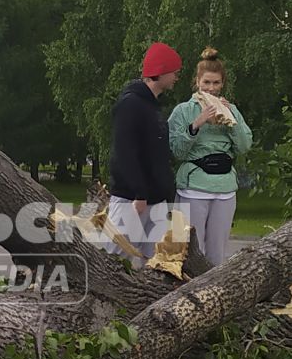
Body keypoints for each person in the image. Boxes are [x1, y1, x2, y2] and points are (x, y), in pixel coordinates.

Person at [167, 47, 252, 266]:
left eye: (216, 83)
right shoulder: (183, 110)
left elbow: (243, 147)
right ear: (197, 82)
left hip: (224, 188)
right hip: (194, 185)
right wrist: (197, 123)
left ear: (222, 84)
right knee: (190, 249)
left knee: (217, 250)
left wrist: (230, 119)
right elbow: (177, 150)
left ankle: (214, 292)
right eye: (206, 83)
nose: (211, 89)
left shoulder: (231, 108)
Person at [108, 41, 182, 261]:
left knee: (150, 262)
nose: (176, 77)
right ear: (160, 72)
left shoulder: (152, 107)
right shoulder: (130, 105)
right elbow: (125, 152)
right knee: (118, 258)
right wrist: (139, 192)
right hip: (133, 199)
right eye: (174, 72)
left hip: (156, 199)